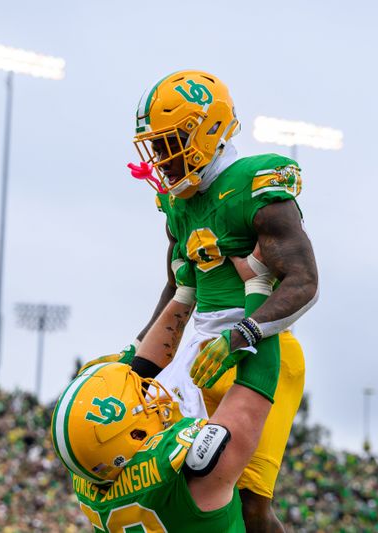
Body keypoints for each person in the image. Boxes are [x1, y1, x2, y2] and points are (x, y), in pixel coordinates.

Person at [127, 69, 319, 532]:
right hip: (198, 356)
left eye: (169, 142)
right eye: (155, 145)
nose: (160, 157)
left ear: (206, 130)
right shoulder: (179, 204)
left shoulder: (253, 187)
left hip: (260, 350)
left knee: (250, 510)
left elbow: (303, 282)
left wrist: (245, 332)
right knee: (149, 477)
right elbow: (177, 291)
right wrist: (136, 361)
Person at [51, 290, 279, 532]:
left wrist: (184, 292)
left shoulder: (90, 474)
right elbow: (258, 380)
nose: (151, 393)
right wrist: (260, 289)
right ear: (135, 436)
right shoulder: (191, 475)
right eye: (141, 401)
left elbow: (142, 370)